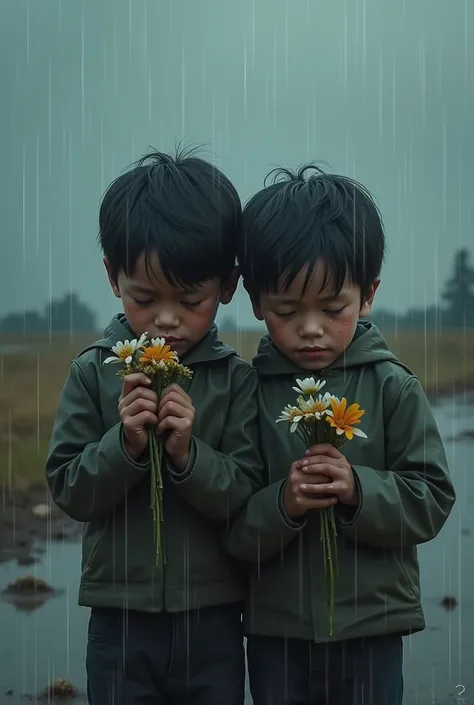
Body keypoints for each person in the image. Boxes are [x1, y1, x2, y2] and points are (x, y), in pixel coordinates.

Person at [226, 164, 456, 705]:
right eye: (286, 310)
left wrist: (359, 490)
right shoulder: (249, 392)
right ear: (256, 302)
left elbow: (433, 498)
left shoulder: (392, 386)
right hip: (275, 633)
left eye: (333, 309)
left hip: (372, 628)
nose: (311, 328)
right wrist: (283, 503)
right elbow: (232, 527)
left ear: (368, 294)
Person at [45, 148, 263, 705]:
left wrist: (191, 456)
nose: (166, 320)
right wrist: (126, 445)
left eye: (190, 300)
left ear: (228, 285)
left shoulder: (235, 379)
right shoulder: (95, 370)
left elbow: (245, 492)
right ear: (113, 278)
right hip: (119, 619)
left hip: (214, 614)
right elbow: (68, 487)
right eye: (145, 298)